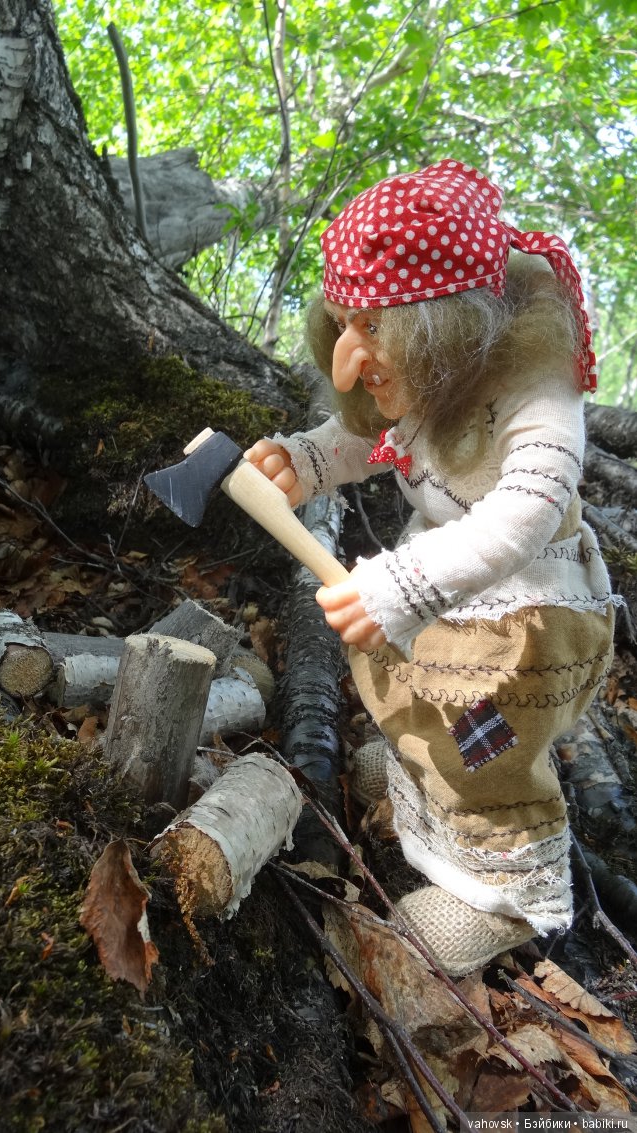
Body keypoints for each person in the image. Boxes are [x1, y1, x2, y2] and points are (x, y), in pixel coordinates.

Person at [246, 159, 618, 977]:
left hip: (527, 626)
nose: (349, 362)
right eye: (343, 324)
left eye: (372, 331)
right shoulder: (426, 375)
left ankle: (506, 896)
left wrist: (406, 587)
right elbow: (376, 433)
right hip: (450, 599)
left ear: (441, 326)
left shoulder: (534, 385)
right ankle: (423, 779)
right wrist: (308, 460)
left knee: (487, 749)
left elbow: (526, 507)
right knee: (423, 702)